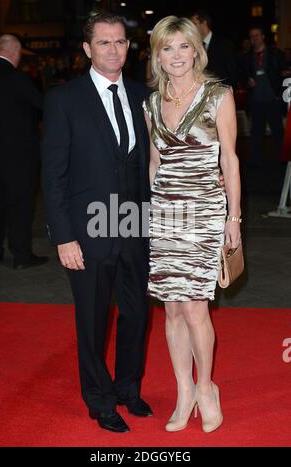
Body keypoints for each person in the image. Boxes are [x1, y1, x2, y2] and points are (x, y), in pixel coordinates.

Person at [42, 13, 152, 433]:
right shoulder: (64, 99)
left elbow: (151, 163)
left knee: (137, 313)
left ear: (129, 47)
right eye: (104, 43)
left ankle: (127, 387)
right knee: (91, 319)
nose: (113, 50)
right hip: (87, 230)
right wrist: (63, 236)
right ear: (87, 49)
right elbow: (53, 175)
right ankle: (99, 398)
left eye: (120, 42)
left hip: (135, 225)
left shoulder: (144, 96)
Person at [143, 16, 241, 433]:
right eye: (168, 48)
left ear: (197, 50)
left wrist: (232, 217)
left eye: (184, 47)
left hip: (204, 213)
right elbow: (154, 163)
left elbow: (230, 160)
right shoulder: (149, 104)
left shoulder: (218, 95)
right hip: (167, 214)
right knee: (172, 309)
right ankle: (183, 390)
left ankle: (206, 388)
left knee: (196, 307)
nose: (176, 56)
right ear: (158, 56)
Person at [0, 34, 48, 269]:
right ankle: (22, 256)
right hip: (18, 156)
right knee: (20, 205)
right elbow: (42, 106)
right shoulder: (16, 78)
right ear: (14, 53)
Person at [241, 26, 285, 167]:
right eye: (252, 36)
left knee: (278, 131)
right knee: (256, 133)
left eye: (257, 35)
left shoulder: (274, 53)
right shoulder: (247, 57)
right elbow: (242, 75)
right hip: (256, 100)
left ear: (263, 36)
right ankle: (256, 162)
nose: (254, 38)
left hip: (273, 99)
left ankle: (285, 160)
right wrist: (247, 80)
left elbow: (283, 70)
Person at [190, 9, 238, 88]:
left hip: (221, 92)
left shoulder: (224, 44)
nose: (191, 29)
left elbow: (232, 73)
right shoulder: (194, 46)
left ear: (204, 23)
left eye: (194, 24)